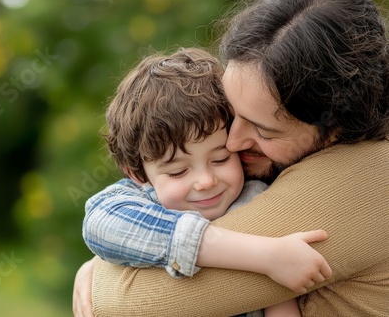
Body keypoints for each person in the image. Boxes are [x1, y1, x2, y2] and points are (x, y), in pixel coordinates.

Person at [73, 0, 389, 316]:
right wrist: (108, 252)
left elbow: (125, 302)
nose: (232, 142)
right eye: (233, 113)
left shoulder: (358, 181)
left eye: (263, 130)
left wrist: (103, 268)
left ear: (333, 126)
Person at [83, 47, 332, 317]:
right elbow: (101, 223)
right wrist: (264, 256)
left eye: (221, 159)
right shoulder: (138, 199)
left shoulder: (258, 198)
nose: (205, 181)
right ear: (138, 175)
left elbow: (280, 298)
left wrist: (275, 258)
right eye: (178, 172)